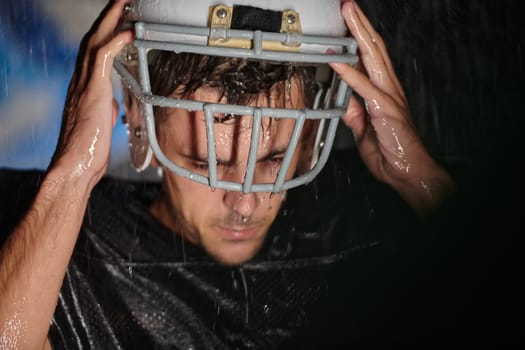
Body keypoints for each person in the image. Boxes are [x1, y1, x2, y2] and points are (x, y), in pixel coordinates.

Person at [0, 0, 455, 348]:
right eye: (204, 164)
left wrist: (419, 179)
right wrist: (71, 175)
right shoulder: (59, 246)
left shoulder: (369, 219)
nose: (245, 203)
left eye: (273, 159)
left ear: (313, 127)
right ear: (142, 124)